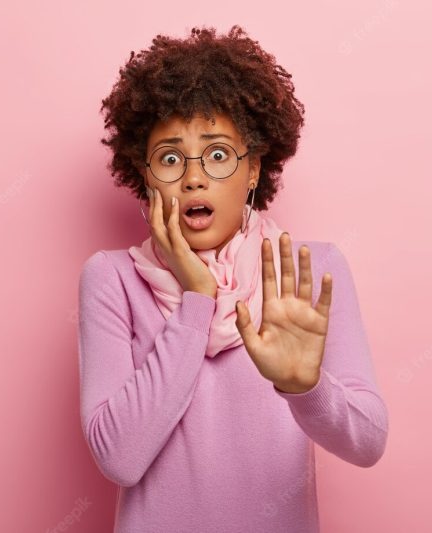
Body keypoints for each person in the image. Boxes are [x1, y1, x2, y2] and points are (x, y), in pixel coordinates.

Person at [77, 25, 388, 532]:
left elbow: (369, 443)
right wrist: (197, 297)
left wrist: (305, 386)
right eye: (171, 158)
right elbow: (119, 457)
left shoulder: (309, 269)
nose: (194, 177)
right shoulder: (111, 279)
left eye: (219, 154)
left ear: (253, 170)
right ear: (145, 174)